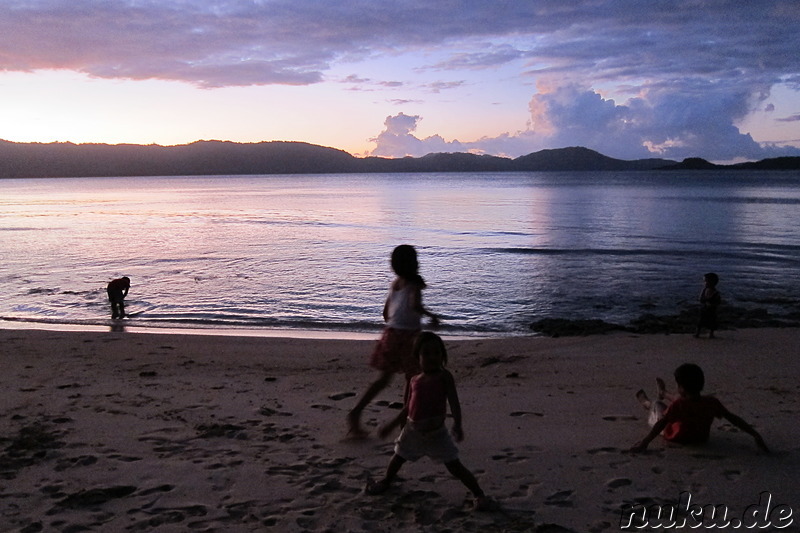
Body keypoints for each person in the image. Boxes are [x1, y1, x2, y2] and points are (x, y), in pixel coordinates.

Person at [365, 332, 496, 511]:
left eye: (436, 353)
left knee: (455, 466)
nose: (432, 357)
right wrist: (391, 425)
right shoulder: (414, 380)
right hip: (413, 430)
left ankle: (478, 493)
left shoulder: (444, 377)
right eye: (426, 353)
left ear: (443, 355)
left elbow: (454, 402)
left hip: (437, 434)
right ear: (417, 357)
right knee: (398, 458)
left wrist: (457, 424)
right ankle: (386, 481)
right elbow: (407, 408)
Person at [347, 245, 440, 437]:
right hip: (409, 338)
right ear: (413, 263)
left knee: (383, 380)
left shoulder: (395, 284)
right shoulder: (414, 285)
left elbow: (385, 313)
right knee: (413, 379)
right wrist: (431, 315)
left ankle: (356, 412)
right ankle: (406, 422)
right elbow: (415, 305)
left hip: (390, 334)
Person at [631, 363, 768, 453]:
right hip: (701, 438)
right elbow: (733, 418)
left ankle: (647, 403)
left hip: (676, 437)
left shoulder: (678, 405)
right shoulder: (712, 402)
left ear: (681, 387)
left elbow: (661, 424)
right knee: (681, 400)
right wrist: (755, 434)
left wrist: (645, 442)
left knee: (657, 405)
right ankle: (664, 393)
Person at [694, 272, 721, 338]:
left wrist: (712, 303)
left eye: (706, 281)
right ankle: (697, 333)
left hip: (711, 309)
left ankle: (711, 334)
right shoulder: (705, 290)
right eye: (704, 281)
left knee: (712, 322)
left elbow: (718, 301)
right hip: (704, 308)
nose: (704, 283)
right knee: (700, 321)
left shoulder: (715, 292)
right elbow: (700, 298)